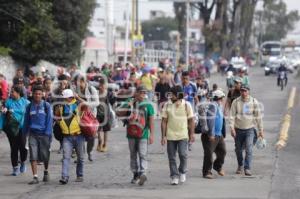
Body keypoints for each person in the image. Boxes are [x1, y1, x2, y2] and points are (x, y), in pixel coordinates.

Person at [116, 85, 155, 186]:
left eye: (144, 93)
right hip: (131, 134)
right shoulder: (130, 101)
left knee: (143, 154)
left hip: (143, 134)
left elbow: (151, 120)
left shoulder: (148, 104)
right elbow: (118, 113)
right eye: (141, 92)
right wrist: (129, 104)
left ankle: (143, 173)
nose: (143, 95)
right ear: (136, 93)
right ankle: (135, 174)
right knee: (133, 155)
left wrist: (152, 135)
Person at [161, 85, 195, 185]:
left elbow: (191, 120)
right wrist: (163, 136)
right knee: (171, 157)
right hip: (171, 135)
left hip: (183, 134)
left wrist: (192, 134)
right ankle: (174, 176)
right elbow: (164, 121)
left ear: (177, 95)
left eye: (172, 94)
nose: (170, 96)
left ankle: (182, 171)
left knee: (183, 154)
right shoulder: (167, 105)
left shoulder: (186, 105)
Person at [229, 84, 264, 176]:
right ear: (240, 92)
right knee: (238, 150)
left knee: (249, 149)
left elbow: (258, 117)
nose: (243, 93)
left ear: (249, 91)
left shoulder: (254, 102)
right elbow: (232, 116)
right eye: (242, 91)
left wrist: (261, 130)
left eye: (245, 91)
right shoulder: (236, 102)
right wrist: (232, 128)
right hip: (238, 130)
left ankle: (247, 168)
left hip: (250, 130)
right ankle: (240, 164)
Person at [23, 85, 53, 184]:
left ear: (42, 95)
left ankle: (46, 171)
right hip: (33, 134)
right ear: (33, 94)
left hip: (44, 134)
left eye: (39, 94)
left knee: (45, 155)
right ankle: (35, 177)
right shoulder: (29, 106)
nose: (37, 95)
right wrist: (24, 133)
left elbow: (49, 121)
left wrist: (48, 134)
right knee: (33, 155)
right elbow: (26, 121)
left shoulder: (46, 105)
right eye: (36, 93)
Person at [56, 89, 85, 184]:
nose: (63, 99)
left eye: (65, 98)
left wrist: (78, 97)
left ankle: (79, 175)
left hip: (79, 135)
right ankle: (64, 177)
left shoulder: (78, 104)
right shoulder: (60, 107)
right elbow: (57, 118)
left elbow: (88, 106)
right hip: (67, 137)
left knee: (80, 157)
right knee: (66, 157)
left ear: (70, 97)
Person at [3, 86, 30, 176]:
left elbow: (30, 113)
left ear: (18, 93)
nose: (11, 93)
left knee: (22, 147)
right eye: (11, 92)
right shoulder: (8, 102)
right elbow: (3, 112)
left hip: (23, 128)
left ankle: (23, 162)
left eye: (13, 92)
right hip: (12, 128)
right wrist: (5, 111)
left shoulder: (25, 102)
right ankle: (15, 168)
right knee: (14, 148)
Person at [73, 74, 99, 162]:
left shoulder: (92, 89)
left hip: (90, 116)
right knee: (79, 136)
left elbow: (96, 103)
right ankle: (80, 155)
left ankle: (89, 151)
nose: (77, 85)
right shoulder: (75, 90)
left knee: (91, 136)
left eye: (78, 83)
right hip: (78, 116)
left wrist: (80, 99)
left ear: (83, 81)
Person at [202, 89, 227, 179]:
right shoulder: (213, 105)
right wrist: (211, 134)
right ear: (220, 98)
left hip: (218, 134)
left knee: (223, 151)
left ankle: (217, 166)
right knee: (209, 154)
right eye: (222, 97)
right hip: (211, 135)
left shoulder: (218, 106)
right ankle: (207, 172)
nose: (223, 99)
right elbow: (211, 120)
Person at [96, 78, 115, 152]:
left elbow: (113, 102)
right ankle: (99, 141)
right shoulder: (97, 93)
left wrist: (114, 97)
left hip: (106, 114)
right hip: (97, 113)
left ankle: (105, 144)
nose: (102, 87)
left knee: (106, 130)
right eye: (100, 85)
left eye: (103, 85)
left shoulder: (108, 93)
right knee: (97, 129)